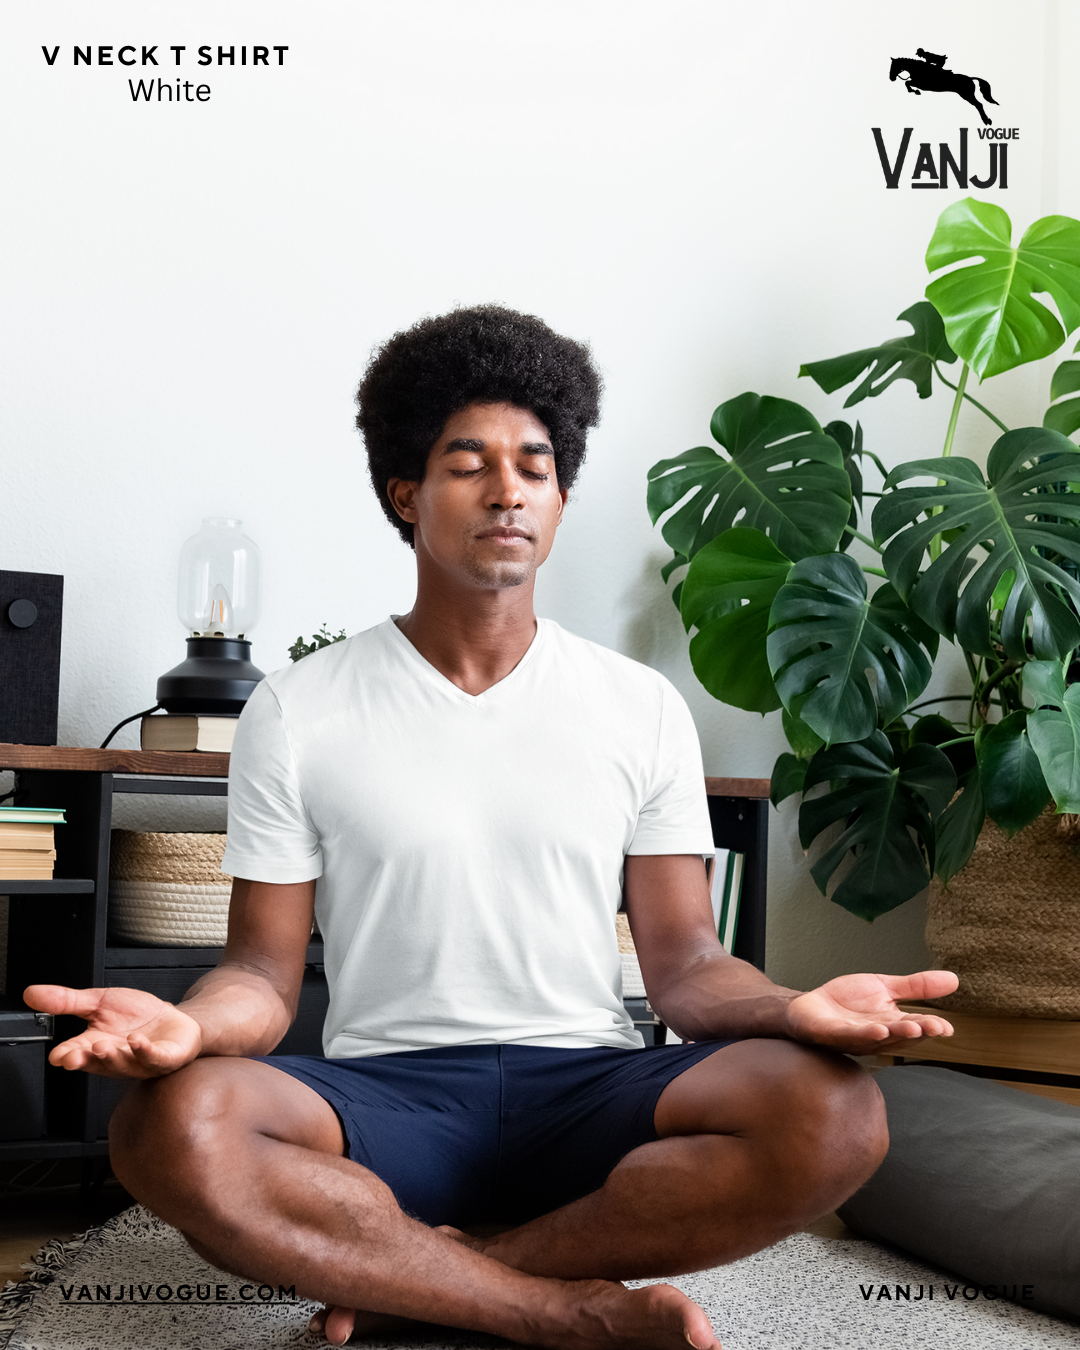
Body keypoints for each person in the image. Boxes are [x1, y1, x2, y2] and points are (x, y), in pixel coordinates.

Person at [26, 306, 958, 1350]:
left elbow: (690, 969)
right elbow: (262, 975)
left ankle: (422, 1281)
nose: (508, 488)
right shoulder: (299, 708)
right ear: (407, 494)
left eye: (536, 464)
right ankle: (569, 1315)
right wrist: (190, 1027)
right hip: (384, 1101)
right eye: (469, 462)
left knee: (836, 1115)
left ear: (560, 499)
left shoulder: (637, 705)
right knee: (166, 1128)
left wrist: (796, 1011)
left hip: (591, 1089)